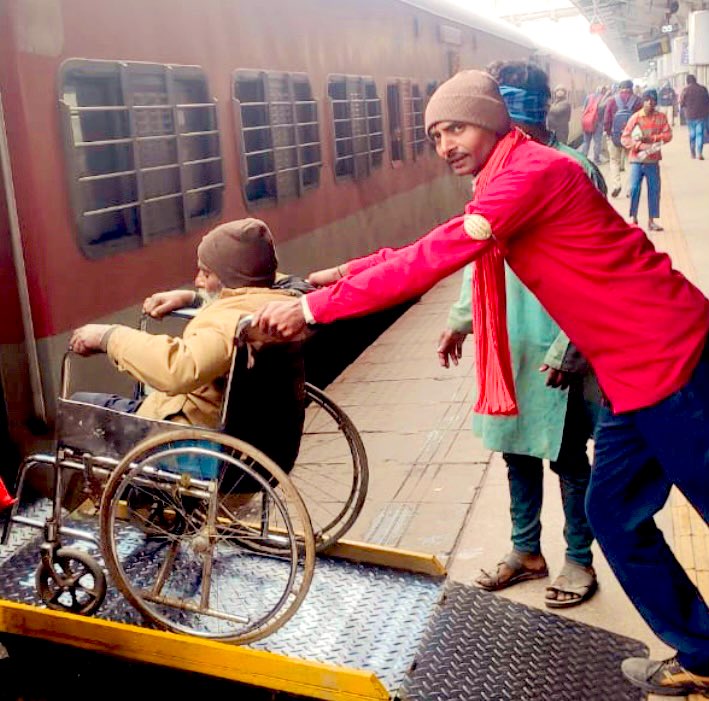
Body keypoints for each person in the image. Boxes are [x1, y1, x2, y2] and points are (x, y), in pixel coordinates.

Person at [254, 69, 709, 697]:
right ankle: (704, 653)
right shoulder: (503, 180)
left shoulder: (533, 174)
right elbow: (418, 251)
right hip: (630, 374)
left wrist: (313, 312)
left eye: (456, 127)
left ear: (493, 122)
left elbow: (435, 255)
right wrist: (316, 283)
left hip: (669, 355)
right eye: (435, 134)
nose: (444, 144)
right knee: (612, 514)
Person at [438, 60, 603, 608]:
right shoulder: (491, 178)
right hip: (506, 337)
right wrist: (462, 320)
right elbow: (475, 254)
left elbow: (598, 273)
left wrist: (571, 346)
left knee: (569, 457)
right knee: (516, 453)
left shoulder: (571, 168)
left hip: (560, 343)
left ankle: (579, 558)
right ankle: (526, 551)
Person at [69, 218, 295, 429]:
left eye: (206, 274)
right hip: (253, 429)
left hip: (186, 428)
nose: (197, 281)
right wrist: (193, 298)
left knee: (77, 409)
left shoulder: (229, 321)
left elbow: (179, 368)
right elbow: (239, 299)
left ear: (230, 279)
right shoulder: (279, 302)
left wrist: (109, 337)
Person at [620, 88, 672, 232]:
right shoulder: (635, 118)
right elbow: (624, 138)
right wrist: (639, 145)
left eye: (653, 100)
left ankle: (651, 220)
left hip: (653, 161)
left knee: (654, 190)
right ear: (643, 101)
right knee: (635, 188)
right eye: (647, 100)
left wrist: (653, 138)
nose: (650, 103)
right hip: (637, 160)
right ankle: (634, 218)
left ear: (656, 102)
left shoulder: (661, 117)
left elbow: (668, 135)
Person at [603, 79, 642, 198]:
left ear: (620, 88)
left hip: (614, 136)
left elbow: (606, 120)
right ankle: (630, 188)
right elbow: (642, 120)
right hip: (631, 137)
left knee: (614, 161)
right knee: (632, 162)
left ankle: (616, 185)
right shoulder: (638, 101)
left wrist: (609, 133)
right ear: (632, 88)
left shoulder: (612, 100)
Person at [680, 74, 709, 159]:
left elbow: (681, 103)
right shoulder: (703, 89)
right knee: (700, 134)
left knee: (692, 133)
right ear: (695, 80)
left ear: (687, 81)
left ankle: (692, 153)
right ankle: (699, 153)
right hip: (702, 115)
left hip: (690, 116)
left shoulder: (685, 90)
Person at [579, 86, 606, 164]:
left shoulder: (588, 97)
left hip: (587, 121)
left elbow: (583, 109)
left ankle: (583, 159)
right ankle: (596, 159)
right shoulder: (604, 98)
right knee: (597, 142)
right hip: (598, 123)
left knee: (586, 142)